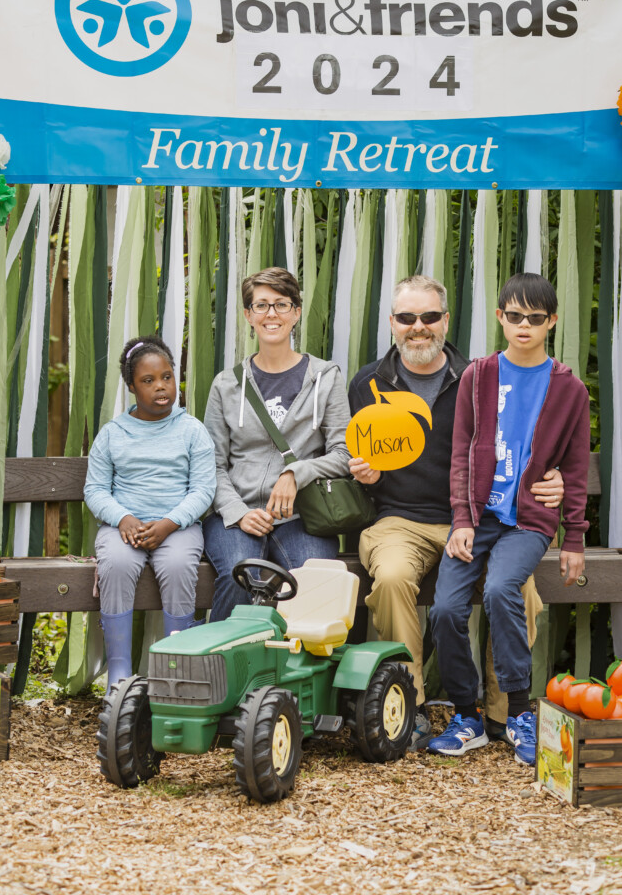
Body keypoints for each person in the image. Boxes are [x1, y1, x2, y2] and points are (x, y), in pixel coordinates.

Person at [348, 275, 563, 750]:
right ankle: (410, 707)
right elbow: (371, 458)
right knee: (391, 578)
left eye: (428, 317)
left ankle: (506, 714)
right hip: (399, 520)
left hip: (476, 517)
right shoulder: (367, 383)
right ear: (392, 324)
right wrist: (367, 475)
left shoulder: (480, 377)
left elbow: (520, 445)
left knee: (519, 588)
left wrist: (557, 477)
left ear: (445, 321)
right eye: (407, 318)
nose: (417, 327)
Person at [429, 273, 590, 767]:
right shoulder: (477, 376)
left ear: (551, 322)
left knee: (501, 590)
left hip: (528, 522)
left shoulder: (568, 388)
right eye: (514, 316)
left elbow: (578, 466)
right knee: (446, 610)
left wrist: (575, 538)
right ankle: (466, 715)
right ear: (500, 317)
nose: (524, 326)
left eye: (535, 319)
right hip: (476, 520)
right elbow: (461, 452)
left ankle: (519, 712)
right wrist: (461, 519)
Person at [203, 267, 351, 621]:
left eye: (281, 304)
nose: (272, 314)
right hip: (238, 513)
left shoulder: (326, 377)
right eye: (262, 305)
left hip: (304, 515)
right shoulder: (226, 385)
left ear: (296, 312)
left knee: (313, 581)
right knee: (241, 576)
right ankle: (221, 668)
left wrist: (296, 472)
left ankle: (302, 672)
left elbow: (344, 454)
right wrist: (238, 512)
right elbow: (212, 464)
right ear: (248, 315)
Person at [84, 336, 216, 692]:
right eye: (148, 380)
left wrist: (170, 523)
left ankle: (176, 670)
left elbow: (203, 489)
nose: (161, 387)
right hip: (123, 527)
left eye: (167, 377)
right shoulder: (113, 434)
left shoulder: (192, 430)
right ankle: (119, 674)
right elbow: (95, 489)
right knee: (116, 564)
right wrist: (122, 518)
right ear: (131, 386)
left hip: (177, 527)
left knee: (177, 567)